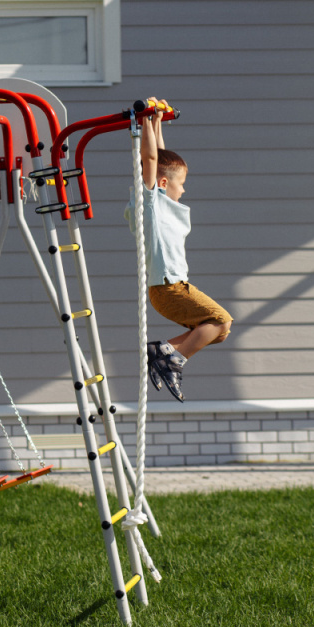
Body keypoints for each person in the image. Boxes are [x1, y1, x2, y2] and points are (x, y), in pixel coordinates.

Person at [125, 99, 233, 402]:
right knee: (222, 320)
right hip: (169, 287)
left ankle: (167, 352)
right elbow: (149, 159)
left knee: (218, 330)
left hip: (172, 287)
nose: (183, 189)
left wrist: (157, 121)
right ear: (162, 183)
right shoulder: (151, 204)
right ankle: (170, 356)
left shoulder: (160, 204)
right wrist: (145, 119)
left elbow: (158, 158)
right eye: (180, 183)